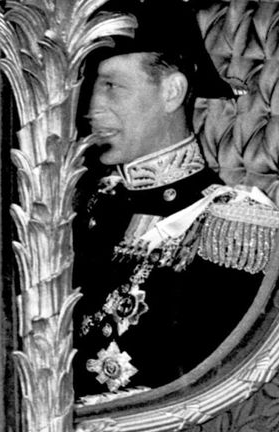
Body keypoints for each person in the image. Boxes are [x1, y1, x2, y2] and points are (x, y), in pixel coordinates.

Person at [72, 0, 279, 399]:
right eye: (92, 87)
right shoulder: (89, 205)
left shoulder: (231, 230)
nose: (93, 109)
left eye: (112, 86)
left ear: (172, 91)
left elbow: (211, 395)